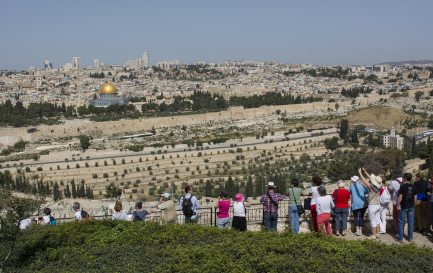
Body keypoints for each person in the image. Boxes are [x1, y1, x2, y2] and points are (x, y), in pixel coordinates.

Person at [358, 168, 382, 239]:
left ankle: (373, 235)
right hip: (378, 204)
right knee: (377, 219)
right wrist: (365, 171)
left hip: (372, 205)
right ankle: (377, 233)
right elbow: (372, 178)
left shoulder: (371, 187)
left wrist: (360, 173)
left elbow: (364, 180)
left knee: (372, 220)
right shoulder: (380, 185)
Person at [397, 173, 417, 242]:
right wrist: (414, 205)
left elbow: (400, 197)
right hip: (411, 206)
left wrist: (397, 205)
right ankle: (410, 238)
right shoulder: (414, 186)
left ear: (405, 178)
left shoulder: (402, 186)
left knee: (401, 222)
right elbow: (415, 198)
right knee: (411, 222)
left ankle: (400, 238)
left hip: (403, 206)